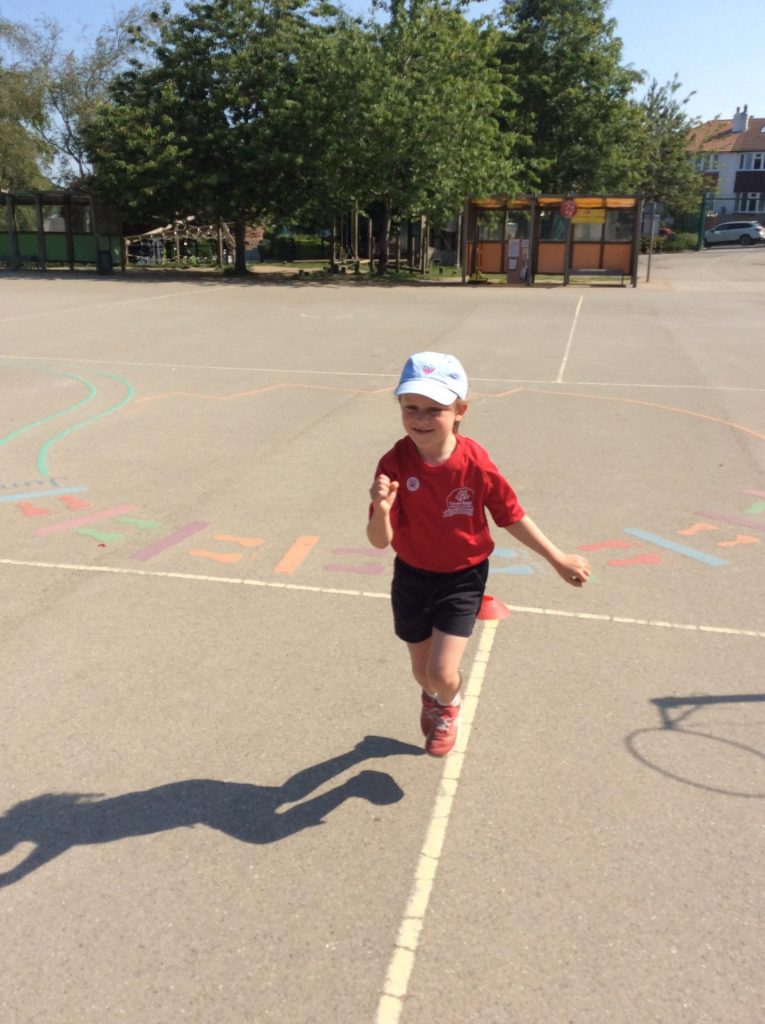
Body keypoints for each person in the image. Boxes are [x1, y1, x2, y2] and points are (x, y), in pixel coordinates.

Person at [367, 351, 590, 758]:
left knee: (441, 671)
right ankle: (432, 697)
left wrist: (557, 558)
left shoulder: (475, 464)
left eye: (435, 409)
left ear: (460, 411)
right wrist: (382, 512)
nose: (420, 419)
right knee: (422, 672)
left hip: (463, 578)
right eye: (410, 407)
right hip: (412, 576)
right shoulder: (394, 463)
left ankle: (448, 705)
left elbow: (511, 515)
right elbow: (380, 541)